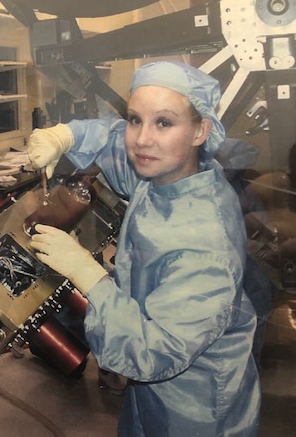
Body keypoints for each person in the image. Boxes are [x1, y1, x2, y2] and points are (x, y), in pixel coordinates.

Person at [28, 61, 261, 436]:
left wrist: (90, 276)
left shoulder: (206, 243)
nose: (141, 139)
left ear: (201, 130)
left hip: (195, 410)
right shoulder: (172, 174)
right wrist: (66, 136)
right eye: (137, 119)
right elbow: (113, 136)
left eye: (164, 123)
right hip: (152, 400)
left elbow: (154, 352)